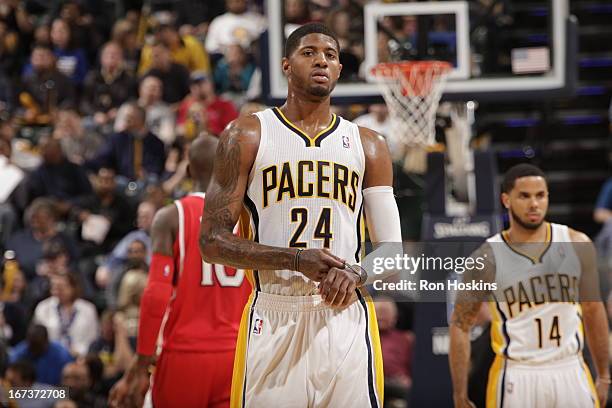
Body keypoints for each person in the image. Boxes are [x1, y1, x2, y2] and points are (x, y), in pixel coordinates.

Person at [199, 23, 402, 407]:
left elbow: (393, 253)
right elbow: (211, 243)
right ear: (286, 65)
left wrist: (356, 273)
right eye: (309, 52)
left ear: (340, 70)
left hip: (344, 316)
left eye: (330, 54)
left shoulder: (369, 145)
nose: (321, 60)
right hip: (274, 312)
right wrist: (294, 259)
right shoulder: (245, 135)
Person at [449, 163, 610, 408]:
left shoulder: (576, 243)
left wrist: (604, 375)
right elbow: (460, 325)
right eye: (524, 196)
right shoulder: (487, 257)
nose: (534, 204)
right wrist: (459, 394)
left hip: (569, 367)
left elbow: (593, 310)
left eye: (540, 195)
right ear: (506, 199)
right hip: (516, 372)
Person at [109, 134, 251, 408]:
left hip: (185, 353)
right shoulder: (248, 217)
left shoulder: (171, 216)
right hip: (238, 355)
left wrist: (141, 361)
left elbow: (156, 295)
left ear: (187, 171)